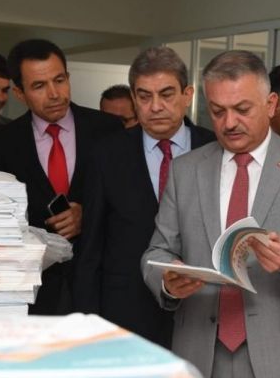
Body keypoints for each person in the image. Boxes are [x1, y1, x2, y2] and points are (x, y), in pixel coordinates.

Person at [142, 50, 280, 378]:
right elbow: (156, 251)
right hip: (201, 350)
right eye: (218, 112)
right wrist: (168, 281)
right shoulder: (186, 170)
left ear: (271, 104)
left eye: (242, 110)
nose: (229, 123)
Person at [74, 47, 215, 347]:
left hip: (204, 310)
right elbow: (91, 247)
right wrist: (87, 327)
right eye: (145, 96)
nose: (156, 106)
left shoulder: (215, 148)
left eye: (166, 94)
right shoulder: (106, 154)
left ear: (187, 94)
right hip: (126, 312)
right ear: (134, 99)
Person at [0, 39, 122, 315]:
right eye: (39, 86)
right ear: (19, 93)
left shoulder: (109, 131)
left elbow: (127, 205)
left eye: (59, 80)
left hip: (100, 287)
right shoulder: (3, 145)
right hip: (34, 292)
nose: (54, 93)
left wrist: (88, 215)